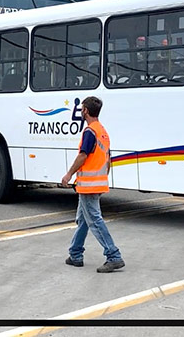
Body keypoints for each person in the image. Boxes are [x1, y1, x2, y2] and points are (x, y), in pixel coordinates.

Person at [61, 96, 124, 273]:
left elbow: (83, 155)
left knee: (94, 220)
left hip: (89, 185)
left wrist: (68, 174)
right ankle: (75, 254)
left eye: (82, 109)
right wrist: (102, 179)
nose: (81, 112)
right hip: (96, 183)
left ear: (86, 111)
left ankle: (114, 256)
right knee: (83, 220)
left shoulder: (90, 132)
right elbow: (108, 160)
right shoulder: (102, 131)